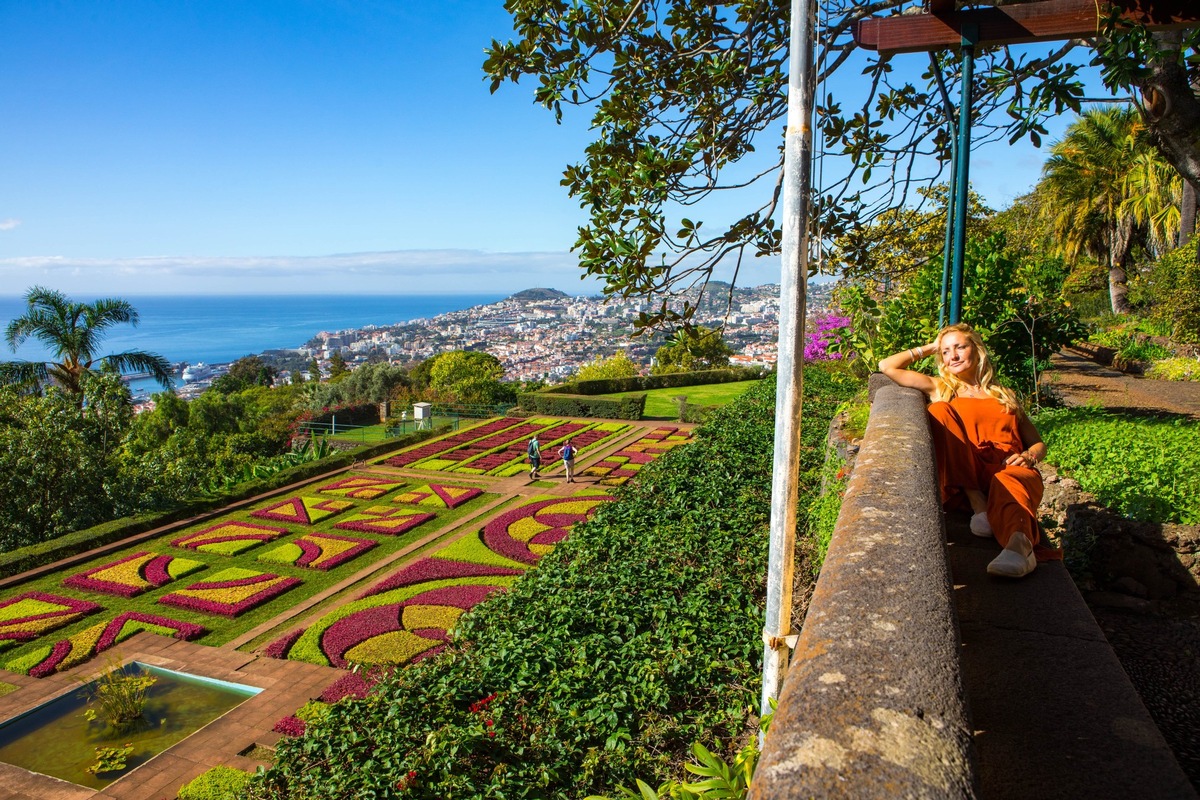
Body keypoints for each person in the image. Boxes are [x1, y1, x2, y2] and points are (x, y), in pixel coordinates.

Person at [878, 323, 1049, 578]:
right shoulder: (942, 388)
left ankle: (1019, 548)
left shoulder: (1005, 394)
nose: (953, 356)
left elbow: (1038, 443)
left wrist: (1029, 456)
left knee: (1009, 481)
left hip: (1008, 466)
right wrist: (931, 347)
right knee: (938, 411)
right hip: (968, 472)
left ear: (977, 350)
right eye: (946, 352)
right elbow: (887, 366)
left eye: (960, 347)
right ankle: (977, 502)